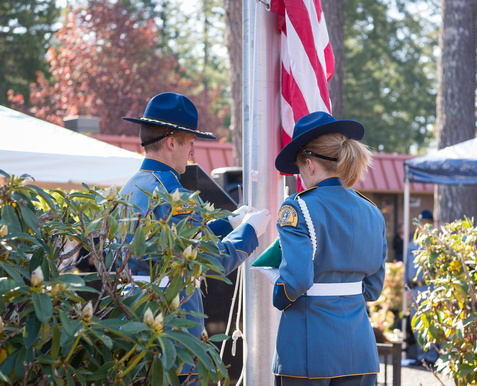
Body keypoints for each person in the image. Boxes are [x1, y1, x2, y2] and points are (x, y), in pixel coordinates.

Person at [119, 92, 271, 382]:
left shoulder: (130, 188)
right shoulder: (176, 196)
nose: (192, 152)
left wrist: (229, 223)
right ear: (171, 141)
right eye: (190, 142)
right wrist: (250, 233)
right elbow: (210, 260)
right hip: (172, 323)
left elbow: (173, 241)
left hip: (132, 315)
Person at [271, 111, 387, 386]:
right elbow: (373, 289)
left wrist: (279, 295)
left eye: (299, 167)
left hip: (309, 350)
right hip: (360, 349)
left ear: (309, 164)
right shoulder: (372, 211)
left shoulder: (297, 207)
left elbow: (297, 280)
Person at [404, 209, 439, 367]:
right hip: (414, 288)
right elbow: (407, 265)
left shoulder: (434, 240)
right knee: (416, 323)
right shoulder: (413, 241)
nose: (422, 226)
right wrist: (406, 287)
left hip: (429, 286)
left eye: (425, 223)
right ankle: (421, 356)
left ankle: (432, 357)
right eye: (420, 223)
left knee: (430, 323)